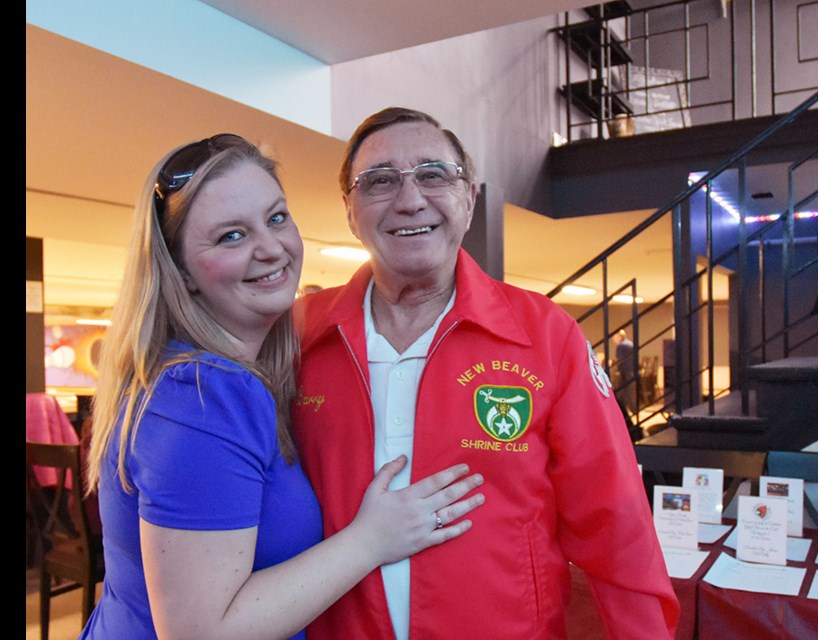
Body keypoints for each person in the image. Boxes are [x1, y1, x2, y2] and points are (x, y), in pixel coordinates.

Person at [292, 108, 679, 639]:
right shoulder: (296, 337)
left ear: (469, 198)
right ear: (350, 211)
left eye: (433, 174)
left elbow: (616, 526)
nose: (410, 199)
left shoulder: (545, 336)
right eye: (379, 181)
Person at [80, 133, 485, 640]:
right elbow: (200, 633)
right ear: (181, 271)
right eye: (231, 236)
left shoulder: (200, 374)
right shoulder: (206, 392)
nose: (270, 248)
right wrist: (371, 539)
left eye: (275, 219)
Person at [612, 329, 639, 418]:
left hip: (625, 370)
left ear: (619, 337)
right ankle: (634, 408)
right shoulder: (630, 343)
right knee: (630, 390)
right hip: (632, 369)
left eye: (614, 337)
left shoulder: (621, 346)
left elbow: (619, 359)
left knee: (622, 390)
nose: (613, 339)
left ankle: (619, 408)